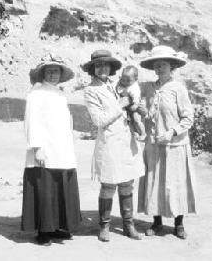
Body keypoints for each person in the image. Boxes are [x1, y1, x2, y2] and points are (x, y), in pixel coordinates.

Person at [82, 50, 145, 242]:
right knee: (108, 185)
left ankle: (128, 224)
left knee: (127, 183)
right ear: (92, 69)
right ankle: (104, 225)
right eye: (99, 65)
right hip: (109, 142)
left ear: (111, 68)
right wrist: (121, 105)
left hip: (126, 140)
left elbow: (132, 104)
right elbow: (99, 120)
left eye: (106, 65)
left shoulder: (116, 85)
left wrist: (138, 108)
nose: (103, 68)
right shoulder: (91, 91)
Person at [137, 45, 197, 240]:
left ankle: (179, 224)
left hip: (174, 145)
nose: (159, 68)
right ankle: (156, 222)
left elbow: (188, 118)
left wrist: (171, 132)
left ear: (171, 66)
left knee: (175, 183)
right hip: (154, 145)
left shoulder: (178, 89)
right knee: (155, 183)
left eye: (163, 64)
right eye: (156, 65)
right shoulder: (150, 88)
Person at [21, 54, 81, 246]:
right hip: (45, 148)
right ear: (43, 73)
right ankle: (43, 232)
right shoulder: (36, 94)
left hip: (61, 149)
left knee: (58, 189)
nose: (53, 74)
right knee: (44, 189)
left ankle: (55, 227)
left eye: (56, 71)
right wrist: (37, 147)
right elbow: (32, 121)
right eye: (50, 71)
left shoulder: (60, 94)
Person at [115, 65, 147, 141]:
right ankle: (135, 132)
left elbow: (136, 98)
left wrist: (135, 105)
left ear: (135, 79)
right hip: (126, 107)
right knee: (129, 121)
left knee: (136, 119)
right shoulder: (121, 83)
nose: (125, 82)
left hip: (134, 107)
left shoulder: (134, 87)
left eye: (128, 80)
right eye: (123, 79)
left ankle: (143, 133)